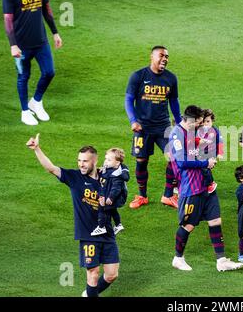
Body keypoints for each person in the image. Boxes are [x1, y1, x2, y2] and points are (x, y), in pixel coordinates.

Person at [26, 134, 119, 297]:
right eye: (79, 160)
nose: (81, 164)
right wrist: (37, 149)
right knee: (93, 273)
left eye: (85, 161)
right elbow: (51, 168)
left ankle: (88, 294)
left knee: (112, 274)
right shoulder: (74, 178)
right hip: (88, 234)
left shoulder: (106, 178)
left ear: (94, 161)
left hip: (107, 232)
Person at [169, 105, 243, 272]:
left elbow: (193, 147)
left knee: (215, 220)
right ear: (190, 121)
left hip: (206, 184)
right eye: (199, 123)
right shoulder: (176, 134)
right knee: (188, 225)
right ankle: (178, 258)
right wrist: (206, 162)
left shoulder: (190, 131)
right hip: (191, 187)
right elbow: (182, 162)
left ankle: (221, 260)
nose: (201, 126)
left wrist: (200, 143)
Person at [125, 45, 182, 209]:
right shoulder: (138, 76)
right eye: (162, 55)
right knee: (141, 160)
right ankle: (142, 196)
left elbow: (174, 102)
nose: (165, 59)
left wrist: (179, 124)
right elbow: (128, 99)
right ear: (152, 57)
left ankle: (168, 195)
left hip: (163, 127)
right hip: (142, 128)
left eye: (167, 57)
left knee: (174, 157)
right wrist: (133, 121)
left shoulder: (171, 78)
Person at [3, 0, 63, 126]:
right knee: (23, 77)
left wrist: (55, 33)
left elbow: (46, 10)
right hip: (21, 45)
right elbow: (8, 19)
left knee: (49, 72)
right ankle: (25, 111)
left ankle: (36, 102)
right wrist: (13, 45)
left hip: (41, 41)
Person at [91, 148, 129, 236]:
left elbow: (116, 189)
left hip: (112, 196)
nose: (105, 161)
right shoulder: (109, 168)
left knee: (102, 209)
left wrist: (111, 197)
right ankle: (118, 225)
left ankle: (101, 227)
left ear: (117, 163)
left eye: (109, 160)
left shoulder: (117, 175)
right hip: (107, 194)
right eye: (105, 158)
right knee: (112, 210)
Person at [196, 108, 224, 194]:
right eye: (203, 121)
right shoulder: (197, 130)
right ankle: (202, 185)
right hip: (199, 153)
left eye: (208, 121)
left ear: (212, 121)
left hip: (211, 154)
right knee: (200, 168)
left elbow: (220, 142)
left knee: (205, 167)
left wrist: (220, 153)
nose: (205, 123)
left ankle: (210, 184)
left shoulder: (215, 131)